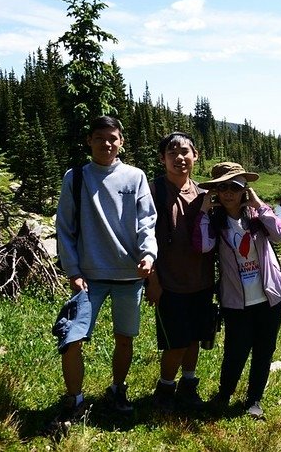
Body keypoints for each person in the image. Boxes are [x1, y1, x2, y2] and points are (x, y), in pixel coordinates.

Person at [53, 115, 156, 427]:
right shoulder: (76, 177)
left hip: (129, 274)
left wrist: (148, 255)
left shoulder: (135, 177)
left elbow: (146, 221)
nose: (106, 144)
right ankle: (75, 399)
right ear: (89, 141)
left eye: (112, 138)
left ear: (121, 141)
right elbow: (65, 228)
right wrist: (72, 270)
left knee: (124, 339)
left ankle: (117, 389)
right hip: (88, 276)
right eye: (100, 138)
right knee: (72, 338)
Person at [193, 162, 281, 419]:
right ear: (215, 191)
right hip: (236, 301)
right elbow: (202, 246)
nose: (228, 193)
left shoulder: (257, 217)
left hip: (271, 297)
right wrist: (204, 210)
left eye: (235, 187)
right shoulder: (215, 222)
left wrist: (258, 204)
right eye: (222, 188)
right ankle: (224, 395)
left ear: (244, 190)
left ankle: (254, 400)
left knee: (264, 350)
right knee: (235, 350)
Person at [145, 132, 215, 411]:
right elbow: (142, 238)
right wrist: (152, 281)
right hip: (169, 283)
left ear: (195, 156)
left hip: (202, 281)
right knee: (176, 342)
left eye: (185, 151)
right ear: (163, 159)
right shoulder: (152, 192)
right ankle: (164, 389)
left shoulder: (204, 195)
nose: (179, 158)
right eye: (172, 152)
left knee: (195, 337)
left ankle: (188, 385)